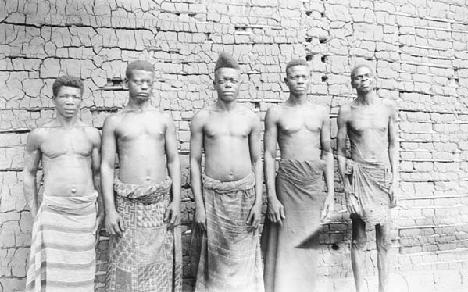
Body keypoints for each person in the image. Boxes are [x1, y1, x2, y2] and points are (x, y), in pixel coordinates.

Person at [101, 60, 182, 291]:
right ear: (127, 82)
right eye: (138, 81)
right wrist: (110, 210)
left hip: (159, 204)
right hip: (127, 206)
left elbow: (174, 160)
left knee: (160, 267)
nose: (144, 86)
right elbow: (106, 166)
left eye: (148, 82)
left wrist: (176, 202)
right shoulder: (115, 121)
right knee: (125, 267)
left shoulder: (163, 120)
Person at [190, 52, 264, 292]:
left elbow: (257, 160)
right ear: (214, 84)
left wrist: (258, 202)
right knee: (216, 259)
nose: (228, 85)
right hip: (214, 199)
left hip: (245, 196)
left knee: (243, 259)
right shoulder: (203, 118)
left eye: (233, 80)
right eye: (223, 80)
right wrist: (199, 205)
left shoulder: (250, 119)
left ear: (240, 83)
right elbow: (193, 160)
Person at [23, 75, 102, 291]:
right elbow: (29, 173)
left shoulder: (92, 135)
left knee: (83, 271)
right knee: (53, 276)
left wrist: (101, 210)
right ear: (54, 99)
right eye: (65, 96)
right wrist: (34, 210)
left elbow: (97, 174)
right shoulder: (40, 135)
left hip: (84, 211)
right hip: (53, 212)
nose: (70, 101)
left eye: (75, 97)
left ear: (81, 100)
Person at [261, 59, 335, 292]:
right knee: (285, 246)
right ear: (286, 81)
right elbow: (269, 155)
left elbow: (328, 152)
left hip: (313, 186)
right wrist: (272, 198)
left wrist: (330, 193)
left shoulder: (321, 112)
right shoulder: (276, 113)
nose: (300, 81)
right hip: (287, 185)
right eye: (295, 77)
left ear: (310, 80)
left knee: (307, 247)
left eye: (304, 77)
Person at [337, 64, 398, 292]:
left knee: (384, 239)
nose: (363, 80)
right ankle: (359, 290)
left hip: (382, 177)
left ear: (374, 79)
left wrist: (396, 180)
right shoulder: (347, 112)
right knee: (359, 240)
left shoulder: (388, 108)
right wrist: (347, 190)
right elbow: (341, 153)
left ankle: (384, 288)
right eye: (357, 77)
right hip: (360, 178)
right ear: (352, 83)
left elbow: (393, 145)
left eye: (366, 76)